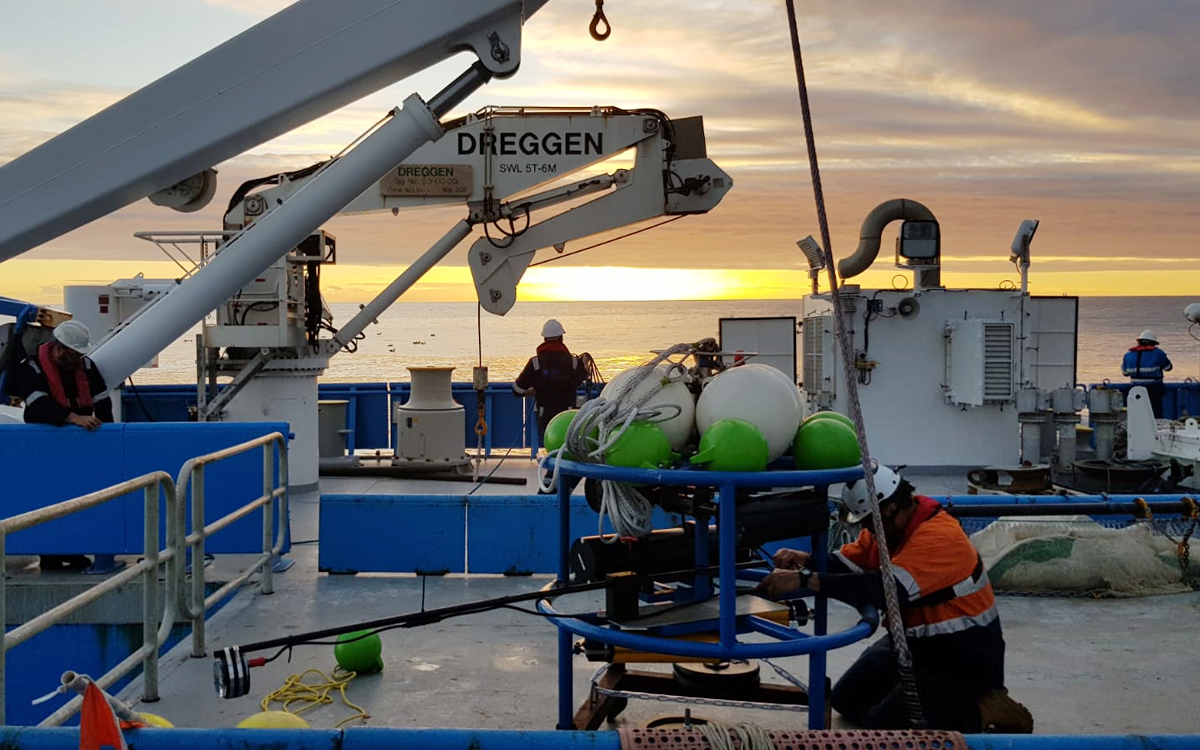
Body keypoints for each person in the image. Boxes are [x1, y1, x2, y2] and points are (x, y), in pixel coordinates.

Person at [757, 463, 1032, 733]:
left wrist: (806, 580)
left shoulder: (939, 538)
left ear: (889, 509)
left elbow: (885, 591)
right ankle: (923, 698)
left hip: (961, 659)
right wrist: (806, 561)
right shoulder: (891, 528)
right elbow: (850, 564)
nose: (868, 530)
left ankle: (984, 708)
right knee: (846, 700)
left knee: (884, 725)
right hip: (915, 645)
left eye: (868, 522)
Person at [9, 320, 113, 429]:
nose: (78, 360)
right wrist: (74, 418)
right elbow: (38, 405)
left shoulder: (87, 366)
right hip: (41, 433)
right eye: (74, 355)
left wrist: (109, 432)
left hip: (81, 433)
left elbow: (102, 401)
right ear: (60, 350)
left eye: (81, 355)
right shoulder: (31, 367)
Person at [513, 319, 588, 441]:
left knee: (549, 442)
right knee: (567, 445)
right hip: (568, 415)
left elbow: (517, 390)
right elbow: (581, 378)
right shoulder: (573, 362)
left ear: (544, 339)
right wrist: (584, 364)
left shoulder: (535, 362)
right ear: (561, 338)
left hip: (545, 415)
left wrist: (531, 392)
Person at [1121, 329, 1172, 418]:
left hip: (1134, 387)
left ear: (1139, 342)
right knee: (1155, 413)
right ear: (1153, 343)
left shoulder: (1128, 355)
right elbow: (1168, 368)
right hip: (1154, 388)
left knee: (1136, 414)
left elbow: (1125, 373)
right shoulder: (1158, 353)